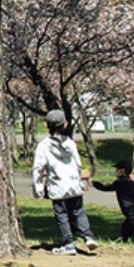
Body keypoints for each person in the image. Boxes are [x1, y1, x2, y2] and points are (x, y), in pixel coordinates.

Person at [32, 109, 98, 255]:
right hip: (74, 184)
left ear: (46, 125)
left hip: (57, 186)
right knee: (79, 211)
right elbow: (78, 164)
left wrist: (38, 189)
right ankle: (88, 237)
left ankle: (68, 244)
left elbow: (38, 168)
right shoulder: (70, 143)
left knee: (62, 215)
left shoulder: (43, 146)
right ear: (65, 125)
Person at [93, 160, 134, 242]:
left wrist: (97, 185)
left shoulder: (121, 182)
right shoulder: (132, 183)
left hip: (129, 209)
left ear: (122, 170)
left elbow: (107, 188)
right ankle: (124, 238)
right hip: (132, 208)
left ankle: (126, 238)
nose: (116, 171)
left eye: (117, 169)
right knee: (127, 225)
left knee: (132, 223)